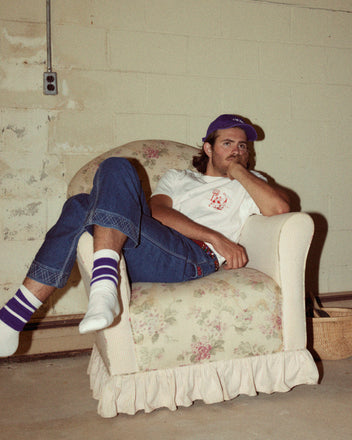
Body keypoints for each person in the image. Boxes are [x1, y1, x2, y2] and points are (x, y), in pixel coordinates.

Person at [0, 114, 290, 357]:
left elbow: (279, 209)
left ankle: (18, 314)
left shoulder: (253, 183)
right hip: (154, 244)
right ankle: (102, 286)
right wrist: (217, 237)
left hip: (192, 257)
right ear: (208, 148)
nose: (237, 150)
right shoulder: (179, 178)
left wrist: (238, 171)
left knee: (79, 205)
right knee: (112, 170)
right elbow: (158, 212)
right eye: (228, 143)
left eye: (243, 146)